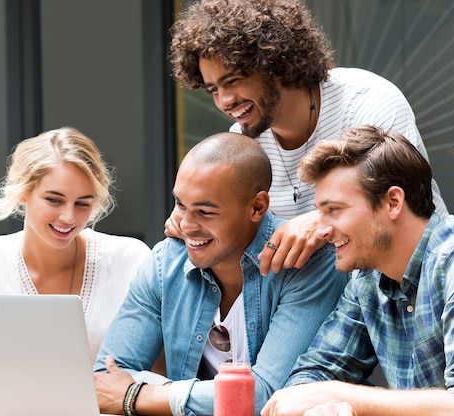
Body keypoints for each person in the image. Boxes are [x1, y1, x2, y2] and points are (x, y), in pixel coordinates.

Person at [166, 0, 449, 276]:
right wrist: (193, 219)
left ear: (273, 63)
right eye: (213, 89)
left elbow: (400, 207)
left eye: (233, 81)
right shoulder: (242, 147)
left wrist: (319, 220)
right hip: (326, 300)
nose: (225, 100)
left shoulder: (366, 100)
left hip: (415, 279)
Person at [261, 125, 454, 416]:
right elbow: (315, 372)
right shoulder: (367, 279)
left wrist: (338, 395)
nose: (321, 230)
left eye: (334, 209)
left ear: (393, 202)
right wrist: (321, 404)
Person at [93, 132, 348, 416]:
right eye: (181, 205)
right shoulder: (166, 263)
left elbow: (268, 394)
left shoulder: (306, 266)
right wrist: (156, 396)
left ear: (257, 207)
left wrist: (138, 395)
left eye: (204, 212)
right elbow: (107, 378)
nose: (186, 225)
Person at [0, 127, 151, 406]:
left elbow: (158, 374)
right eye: (54, 200)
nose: (68, 217)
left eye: (83, 203)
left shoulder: (130, 259)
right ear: (23, 192)